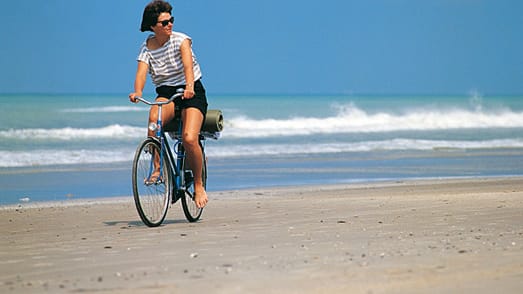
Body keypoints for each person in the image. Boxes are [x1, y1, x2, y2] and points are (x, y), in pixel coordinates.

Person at [129, 0, 208, 208]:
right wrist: (137, 91)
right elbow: (141, 73)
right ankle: (157, 168)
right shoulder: (147, 47)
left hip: (192, 91)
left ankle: (198, 185)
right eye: (164, 23)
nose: (169, 25)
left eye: (171, 20)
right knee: (153, 121)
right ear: (153, 26)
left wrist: (189, 86)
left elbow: (188, 66)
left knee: (189, 138)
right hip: (166, 93)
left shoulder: (181, 40)